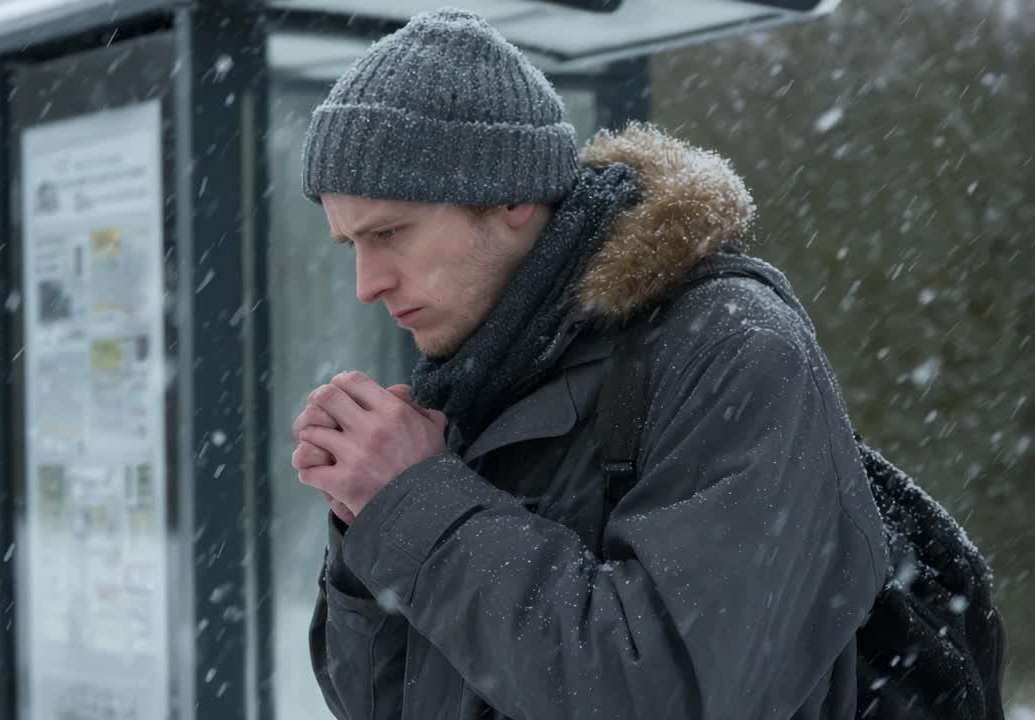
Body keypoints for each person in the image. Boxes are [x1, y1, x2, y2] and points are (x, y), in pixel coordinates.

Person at [290, 8, 886, 719]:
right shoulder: (481, 374)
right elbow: (384, 704)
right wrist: (372, 520)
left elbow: (675, 694)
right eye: (349, 244)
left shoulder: (733, 350)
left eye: (389, 232)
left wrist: (416, 505)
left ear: (510, 193)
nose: (366, 284)